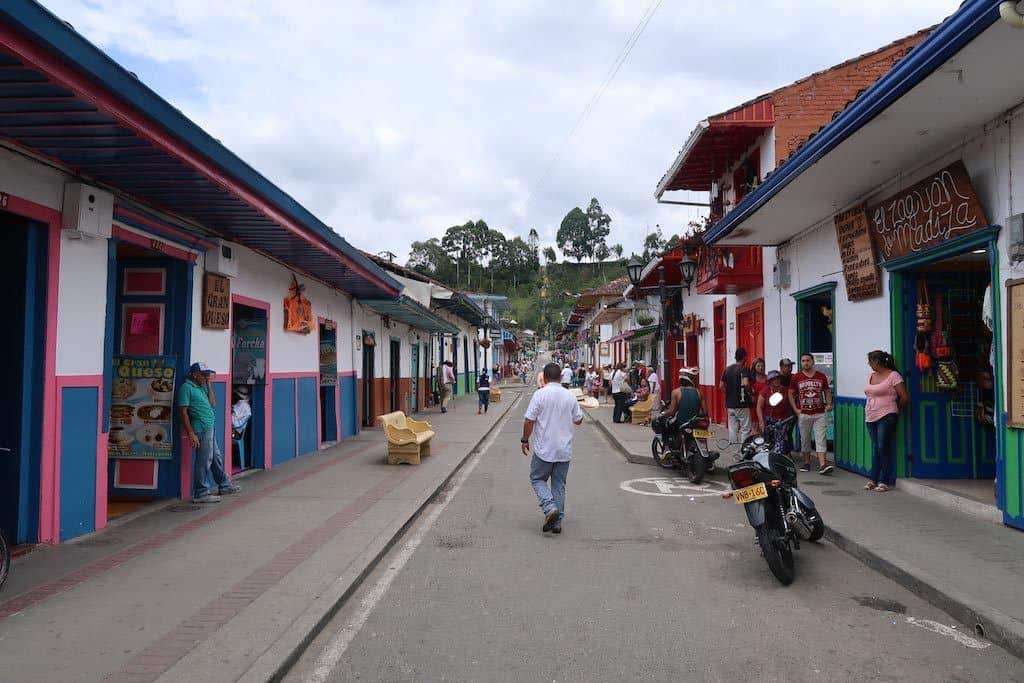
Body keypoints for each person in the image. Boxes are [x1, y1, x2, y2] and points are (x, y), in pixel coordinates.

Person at [521, 363, 584, 534]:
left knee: (537, 478)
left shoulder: (540, 395)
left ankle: (549, 508)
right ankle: (557, 522)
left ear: (546, 378)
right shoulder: (570, 396)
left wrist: (525, 439)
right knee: (559, 485)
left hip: (544, 450)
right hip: (564, 451)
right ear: (561, 377)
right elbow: (578, 420)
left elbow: (529, 420)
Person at [177, 362, 240, 503]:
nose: (206, 377)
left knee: (216, 457)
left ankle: (224, 485)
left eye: (207, 375)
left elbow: (213, 404)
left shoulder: (200, 388)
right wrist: (191, 433)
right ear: (195, 375)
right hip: (200, 429)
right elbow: (183, 412)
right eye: (204, 375)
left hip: (210, 426)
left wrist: (208, 384)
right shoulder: (186, 388)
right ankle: (201, 492)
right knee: (204, 460)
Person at [864, 350, 908, 492]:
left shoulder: (893, 376)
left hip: (887, 415)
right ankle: (873, 479)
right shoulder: (871, 375)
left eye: (870, 361)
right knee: (877, 447)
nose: (869, 364)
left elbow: (904, 397)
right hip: (870, 416)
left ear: (877, 361)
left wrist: (894, 410)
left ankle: (885, 480)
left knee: (883, 446)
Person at [788, 352, 834, 474]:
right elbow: (790, 393)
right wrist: (796, 409)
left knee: (821, 438)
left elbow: (827, 391)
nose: (806, 363)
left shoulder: (821, 376)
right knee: (805, 439)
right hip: (804, 413)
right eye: (803, 361)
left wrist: (829, 404)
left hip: (819, 413)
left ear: (813, 362)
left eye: (808, 360)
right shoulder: (796, 377)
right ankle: (806, 462)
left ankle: (823, 464)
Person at [720, 348, 754, 444]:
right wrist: (750, 393)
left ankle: (735, 455)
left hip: (730, 405)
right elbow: (746, 383)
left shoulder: (727, 369)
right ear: (744, 357)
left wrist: (729, 393)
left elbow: (721, 386)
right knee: (745, 429)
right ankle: (743, 452)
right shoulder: (744, 369)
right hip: (742, 404)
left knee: (732, 429)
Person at [757, 370, 793, 454]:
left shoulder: (785, 390)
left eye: (778, 378)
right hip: (768, 419)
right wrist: (761, 422)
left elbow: (791, 405)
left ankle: (778, 457)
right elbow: (759, 406)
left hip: (782, 419)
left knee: (780, 439)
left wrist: (790, 419)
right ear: (770, 381)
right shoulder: (765, 391)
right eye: (774, 379)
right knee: (767, 440)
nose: (777, 381)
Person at [749, 358, 768, 435]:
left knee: (764, 428)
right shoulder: (752, 379)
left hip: (766, 406)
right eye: (758, 366)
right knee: (755, 428)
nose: (761, 368)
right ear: (754, 367)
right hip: (755, 406)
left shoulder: (767, 378)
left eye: (762, 366)